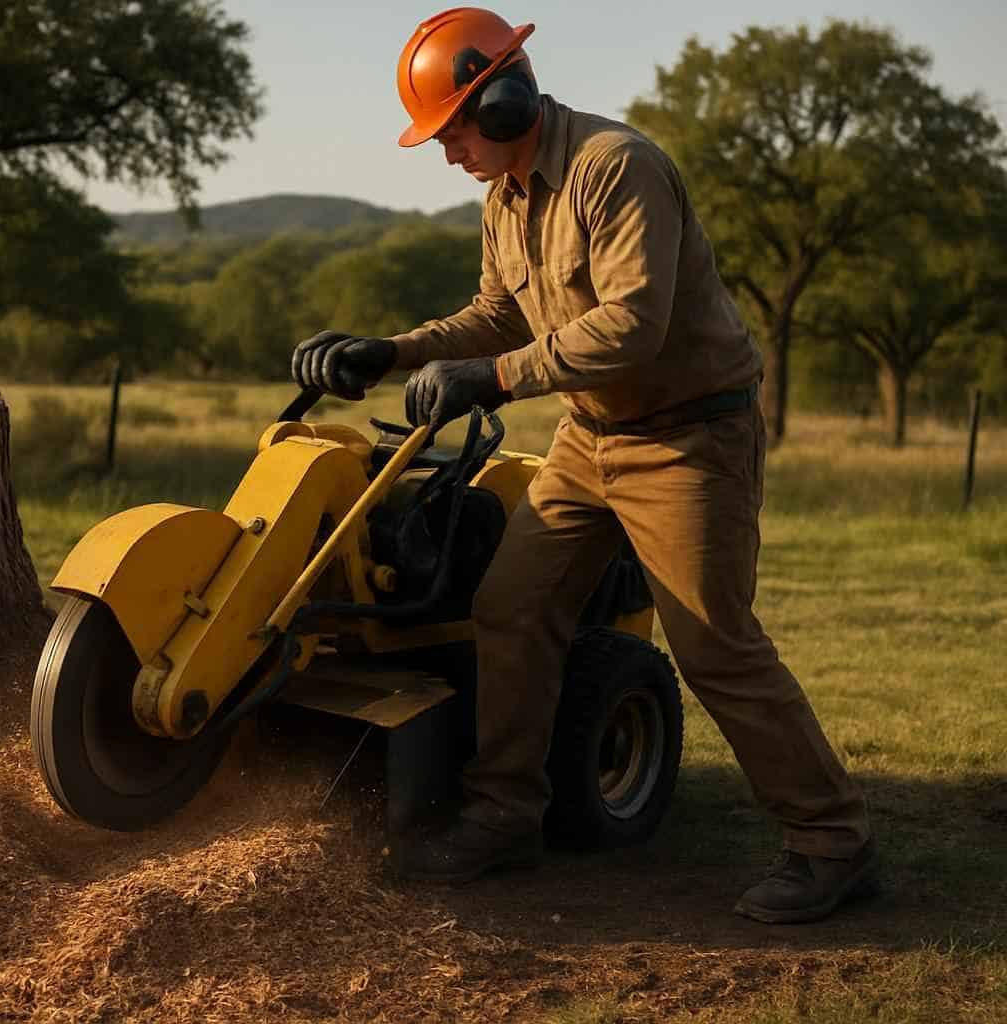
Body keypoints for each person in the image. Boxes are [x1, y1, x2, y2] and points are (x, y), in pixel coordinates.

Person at [291, 6, 875, 924]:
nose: (448, 156)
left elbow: (632, 327)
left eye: (451, 134)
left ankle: (832, 842)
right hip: (588, 438)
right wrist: (390, 351)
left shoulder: (617, 167)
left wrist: (492, 380)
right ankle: (506, 816)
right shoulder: (506, 197)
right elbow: (497, 315)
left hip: (688, 438)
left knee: (713, 643)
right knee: (512, 605)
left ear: (509, 98)